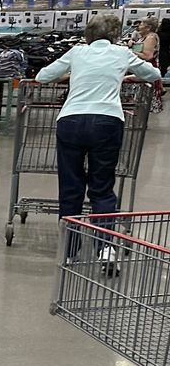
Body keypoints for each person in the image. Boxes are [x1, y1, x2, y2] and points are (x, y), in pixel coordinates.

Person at [36, 15, 161, 258]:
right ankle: (105, 248)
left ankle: (69, 250)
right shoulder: (122, 53)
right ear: (114, 35)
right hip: (107, 121)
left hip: (71, 120)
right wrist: (126, 76)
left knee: (71, 186)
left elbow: (42, 76)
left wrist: (73, 76)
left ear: (88, 34)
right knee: (102, 188)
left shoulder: (77, 52)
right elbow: (153, 74)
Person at [131, 18, 163, 113]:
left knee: (146, 102)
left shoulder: (151, 38)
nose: (139, 26)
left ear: (148, 27)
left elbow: (148, 56)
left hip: (148, 70)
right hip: (143, 69)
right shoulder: (144, 37)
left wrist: (130, 53)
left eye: (141, 24)